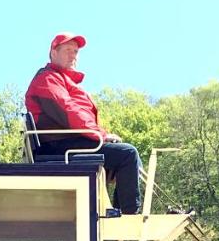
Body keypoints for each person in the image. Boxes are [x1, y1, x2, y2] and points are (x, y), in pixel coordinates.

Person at [25, 32, 142, 215]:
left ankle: (117, 218)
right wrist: (101, 136)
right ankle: (129, 217)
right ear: (53, 53)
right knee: (127, 154)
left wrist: (101, 137)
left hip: (71, 142)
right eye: (68, 50)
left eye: (76, 52)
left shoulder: (62, 80)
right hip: (58, 146)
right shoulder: (47, 78)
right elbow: (68, 111)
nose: (73, 55)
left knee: (130, 160)